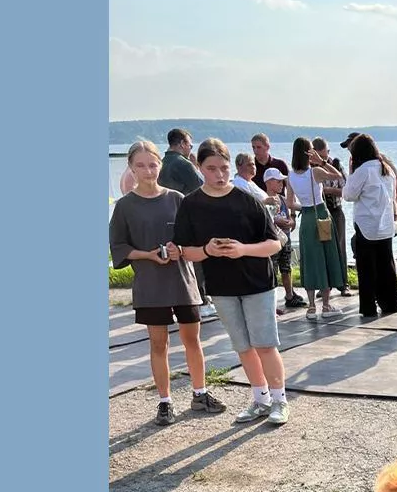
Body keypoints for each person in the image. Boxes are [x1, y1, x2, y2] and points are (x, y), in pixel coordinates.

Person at [109, 140, 228, 425]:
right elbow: (119, 247)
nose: (148, 171)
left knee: (192, 339)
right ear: (131, 168)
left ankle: (200, 393)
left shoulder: (177, 199)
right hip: (150, 286)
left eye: (152, 165)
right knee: (158, 343)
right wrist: (148, 255)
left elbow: (195, 238)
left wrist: (180, 250)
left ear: (160, 166)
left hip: (182, 281)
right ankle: (165, 401)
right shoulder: (124, 206)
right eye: (141, 165)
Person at [173, 138, 290, 425]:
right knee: (242, 346)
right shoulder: (191, 204)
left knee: (264, 344)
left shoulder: (247, 200)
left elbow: (274, 244)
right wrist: (207, 250)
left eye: (224, 168)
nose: (220, 174)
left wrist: (243, 249)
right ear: (200, 168)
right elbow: (185, 251)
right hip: (222, 286)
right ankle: (261, 399)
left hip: (257, 282)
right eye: (212, 169)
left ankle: (280, 400)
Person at [343, 133, 397, 318]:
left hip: (366, 224)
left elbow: (348, 195)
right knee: (387, 266)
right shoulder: (386, 169)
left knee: (367, 269)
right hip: (385, 225)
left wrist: (351, 173)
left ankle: (369, 307)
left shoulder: (363, 171)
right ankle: (391, 303)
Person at [286, 137, 347, 320]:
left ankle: (311, 306)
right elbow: (339, 177)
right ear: (308, 152)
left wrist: (305, 208)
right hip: (320, 214)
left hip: (306, 217)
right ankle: (326, 306)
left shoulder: (290, 176)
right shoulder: (315, 171)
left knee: (310, 260)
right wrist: (322, 161)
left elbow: (290, 203)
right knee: (326, 257)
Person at [159, 128, 214, 315]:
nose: (191, 148)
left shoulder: (162, 163)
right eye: (190, 144)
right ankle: (202, 300)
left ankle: (176, 302)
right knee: (196, 259)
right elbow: (204, 187)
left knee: (174, 262)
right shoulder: (182, 163)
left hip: (166, 218)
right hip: (187, 218)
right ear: (182, 144)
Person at [262, 168, 307, 313]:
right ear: (269, 182)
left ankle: (289, 295)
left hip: (285, 238)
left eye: (282, 181)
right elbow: (265, 218)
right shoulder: (264, 199)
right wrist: (277, 221)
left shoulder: (282, 199)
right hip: (273, 239)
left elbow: (288, 214)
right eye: (278, 181)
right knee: (273, 269)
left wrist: (291, 221)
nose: (282, 184)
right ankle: (272, 302)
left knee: (286, 267)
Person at [313, 137, 353, 297]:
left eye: (326, 155)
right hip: (319, 212)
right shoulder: (311, 168)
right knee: (322, 248)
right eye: (321, 156)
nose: (324, 159)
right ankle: (325, 285)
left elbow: (347, 189)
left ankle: (343, 284)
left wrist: (328, 191)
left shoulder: (335, 164)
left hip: (335, 210)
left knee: (340, 246)